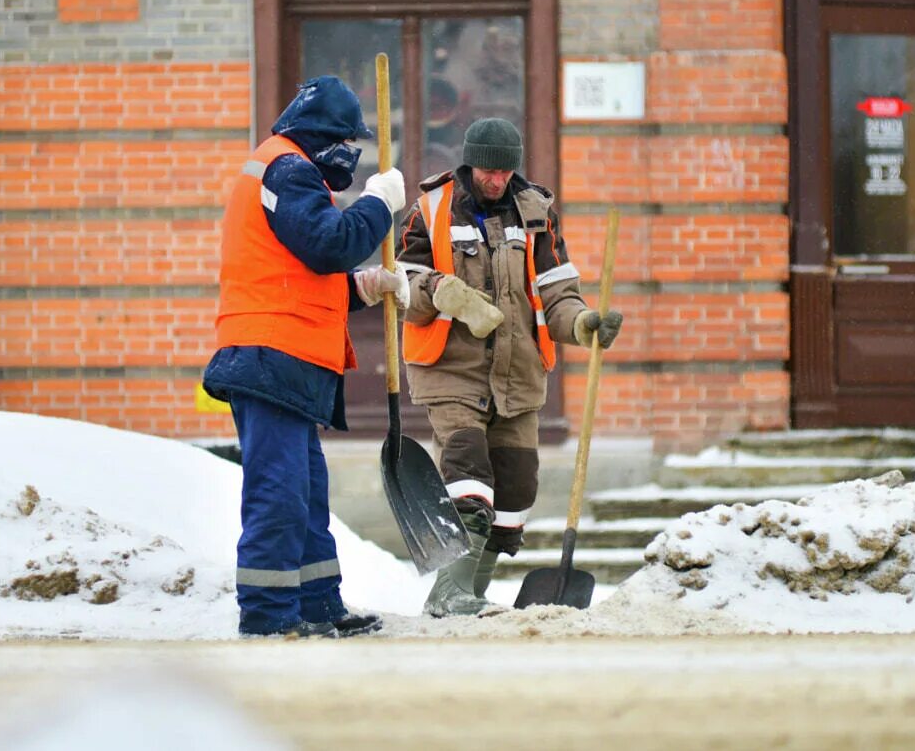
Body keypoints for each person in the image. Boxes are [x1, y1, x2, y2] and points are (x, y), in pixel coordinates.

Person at [203, 76, 409, 638]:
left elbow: (299, 274)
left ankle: (318, 606)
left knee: (307, 492)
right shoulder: (287, 169)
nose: (349, 157)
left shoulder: (292, 171)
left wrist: (362, 288)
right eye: (347, 145)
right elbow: (328, 244)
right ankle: (269, 616)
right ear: (324, 137)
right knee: (279, 492)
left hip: (284, 358)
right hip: (268, 355)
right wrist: (377, 204)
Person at [396, 117, 624, 616]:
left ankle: (470, 594)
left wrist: (585, 323)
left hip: (518, 376)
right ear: (470, 163)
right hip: (452, 372)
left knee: (514, 492)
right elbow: (402, 291)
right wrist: (439, 291)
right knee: (469, 478)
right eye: (487, 171)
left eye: (504, 171)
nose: (496, 180)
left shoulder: (537, 213)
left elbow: (557, 293)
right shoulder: (430, 209)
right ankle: (448, 594)